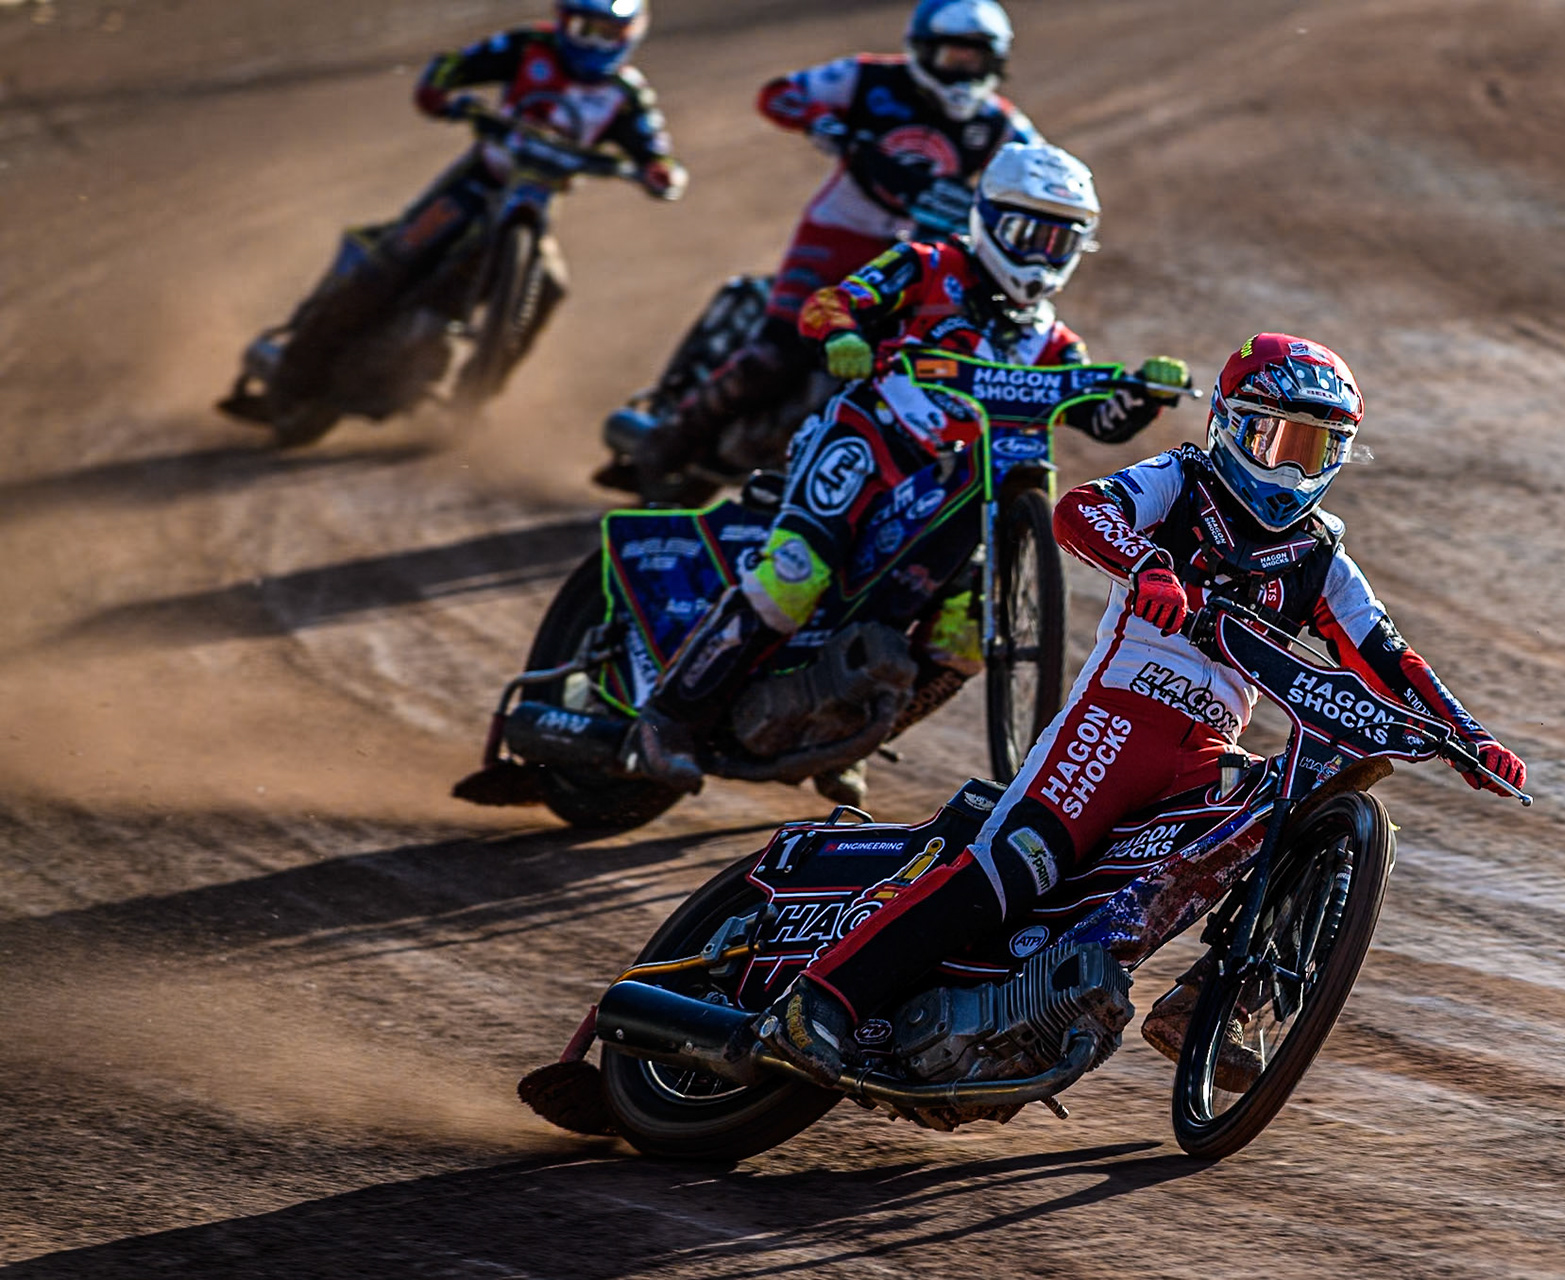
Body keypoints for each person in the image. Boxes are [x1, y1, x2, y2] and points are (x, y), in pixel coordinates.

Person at [751, 332, 1531, 1087]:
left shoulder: (1323, 556)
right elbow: (1080, 511)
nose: (1292, 467)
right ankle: (817, 1004)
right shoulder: (1183, 479)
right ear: (1229, 424)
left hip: (1200, 756)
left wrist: (1470, 736)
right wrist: (1148, 562)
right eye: (1276, 440)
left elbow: (1392, 657)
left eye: (1315, 450)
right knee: (1014, 869)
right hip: (1113, 725)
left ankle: (1208, 1009)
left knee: (1297, 811)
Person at [622, 143, 1192, 805]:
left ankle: (844, 733)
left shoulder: (1055, 342)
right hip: (869, 445)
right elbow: (830, 304)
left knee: (965, 640)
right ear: (987, 220)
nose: (1039, 254)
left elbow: (1098, 419)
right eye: (1025, 233)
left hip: (965, 495)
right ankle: (667, 718)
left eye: (1060, 240)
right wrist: (845, 335)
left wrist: (1145, 392)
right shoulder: (926, 266)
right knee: (794, 576)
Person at [607, 0, 1043, 483]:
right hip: (837, 235)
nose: (963, 71)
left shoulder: (1002, 123)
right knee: (777, 353)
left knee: (928, 359)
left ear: (996, 63)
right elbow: (778, 94)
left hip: (924, 257)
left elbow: (1040, 171)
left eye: (975, 59)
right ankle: (667, 444)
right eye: (952, 56)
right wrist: (822, 121)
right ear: (923, 50)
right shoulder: (868, 78)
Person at [269, 0, 686, 405]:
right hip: (479, 180)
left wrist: (659, 172)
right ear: (563, 21)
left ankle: (474, 399)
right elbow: (453, 65)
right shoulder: (527, 47)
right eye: (585, 29)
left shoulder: (626, 95)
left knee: (551, 288)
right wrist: (440, 91)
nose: (595, 44)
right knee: (395, 257)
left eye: (609, 33)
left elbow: (655, 151)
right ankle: (294, 373)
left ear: (632, 33)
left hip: (539, 200)